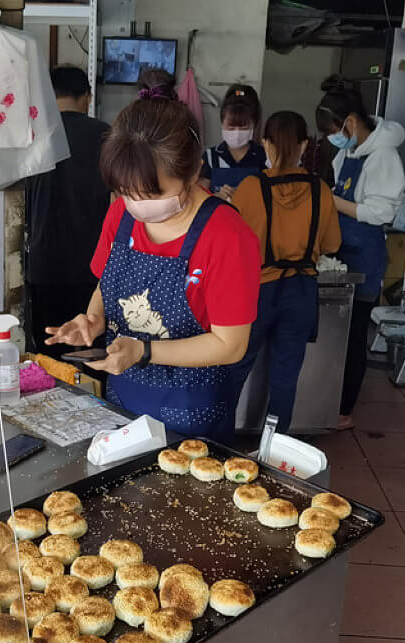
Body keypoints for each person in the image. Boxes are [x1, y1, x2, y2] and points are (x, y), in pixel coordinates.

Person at [46, 90, 261, 440]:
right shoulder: (121, 214)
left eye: (152, 194)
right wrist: (94, 319)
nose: (138, 205)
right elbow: (108, 279)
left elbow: (230, 344)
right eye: (127, 192)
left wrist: (143, 351)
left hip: (192, 410)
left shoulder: (227, 236)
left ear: (192, 174)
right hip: (123, 398)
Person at [229, 111, 341, 431]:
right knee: (285, 378)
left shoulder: (250, 188)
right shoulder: (321, 190)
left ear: (265, 143)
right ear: (304, 145)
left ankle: (216, 443)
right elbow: (332, 244)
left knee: (234, 368)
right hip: (301, 292)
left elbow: (232, 244)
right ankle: (273, 451)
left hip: (256, 291)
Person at [315, 75, 405, 430]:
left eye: (334, 131)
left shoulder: (383, 155)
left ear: (350, 123)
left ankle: (343, 409)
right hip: (341, 249)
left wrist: (334, 201)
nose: (332, 139)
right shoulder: (347, 153)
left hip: (365, 253)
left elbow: (382, 212)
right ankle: (326, 399)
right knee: (336, 331)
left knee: (353, 335)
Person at [24, 66, 111, 358]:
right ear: (86, 97)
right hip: (92, 266)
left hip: (44, 263)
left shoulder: (32, 135)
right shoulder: (105, 135)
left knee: (48, 351)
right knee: (90, 351)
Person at [199, 85, 267, 202]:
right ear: (222, 123)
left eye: (243, 127)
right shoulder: (210, 157)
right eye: (231, 127)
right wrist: (215, 197)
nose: (237, 132)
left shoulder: (263, 156)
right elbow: (199, 196)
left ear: (254, 125)